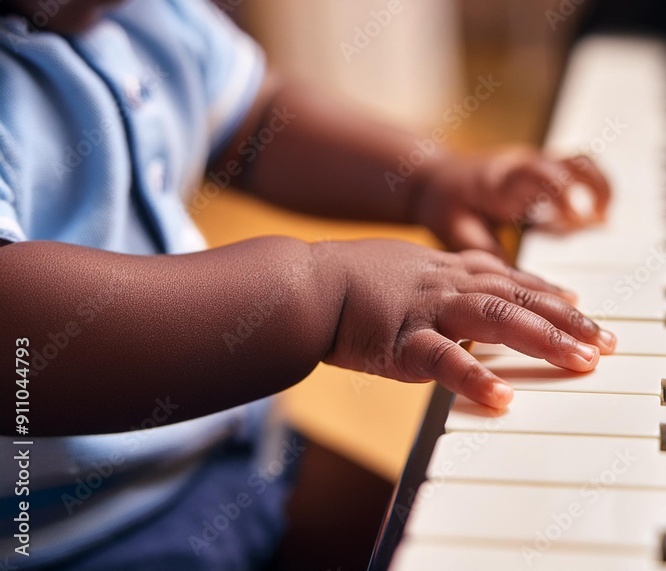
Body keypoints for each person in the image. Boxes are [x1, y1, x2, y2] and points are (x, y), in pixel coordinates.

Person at [0, 0, 615, 568]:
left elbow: (256, 120)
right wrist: (324, 295)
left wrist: (427, 179)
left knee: (461, 542)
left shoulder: (149, 12)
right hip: (71, 535)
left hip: (237, 451)